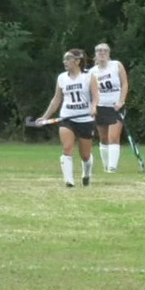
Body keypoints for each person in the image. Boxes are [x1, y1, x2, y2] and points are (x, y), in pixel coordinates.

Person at [37, 49, 100, 187]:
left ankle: (87, 174)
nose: (64, 62)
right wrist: (45, 117)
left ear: (77, 61)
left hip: (85, 119)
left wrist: (94, 107)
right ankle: (69, 181)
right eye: (64, 59)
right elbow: (56, 99)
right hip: (67, 118)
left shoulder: (89, 76)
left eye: (68, 59)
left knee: (85, 155)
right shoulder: (62, 78)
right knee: (67, 148)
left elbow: (96, 96)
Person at [90, 43, 129, 174]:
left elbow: (124, 84)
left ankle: (112, 168)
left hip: (116, 107)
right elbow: (91, 92)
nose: (102, 53)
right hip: (100, 107)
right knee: (103, 138)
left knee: (113, 137)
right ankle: (106, 166)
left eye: (105, 51)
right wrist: (93, 106)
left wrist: (121, 101)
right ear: (95, 54)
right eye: (99, 51)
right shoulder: (92, 72)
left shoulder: (116, 65)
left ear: (109, 53)